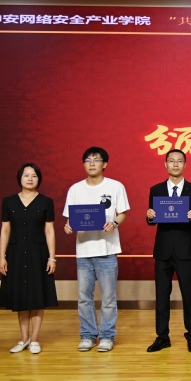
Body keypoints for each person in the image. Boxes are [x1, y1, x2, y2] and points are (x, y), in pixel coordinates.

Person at [63, 146, 130, 352]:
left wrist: (115, 223)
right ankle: (88, 335)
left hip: (107, 251)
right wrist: (68, 226)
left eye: (96, 159)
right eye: (88, 160)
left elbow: (122, 213)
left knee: (108, 298)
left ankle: (107, 336)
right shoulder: (75, 189)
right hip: (84, 251)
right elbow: (70, 219)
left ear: (105, 164)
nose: (92, 163)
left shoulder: (115, 186)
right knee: (84, 298)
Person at [145, 149, 191, 353]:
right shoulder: (156, 189)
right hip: (162, 250)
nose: (176, 164)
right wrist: (150, 216)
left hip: (185, 250)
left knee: (189, 295)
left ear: (185, 165)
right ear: (166, 164)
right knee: (162, 296)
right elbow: (152, 219)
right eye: (172, 161)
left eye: (180, 161)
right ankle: (162, 337)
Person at [0, 163, 58, 354]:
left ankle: (35, 340)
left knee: (37, 296)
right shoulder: (9, 201)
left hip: (38, 254)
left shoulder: (46, 201)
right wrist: (2, 257)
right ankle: (24, 339)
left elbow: (49, 231)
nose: (30, 179)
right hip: (15, 254)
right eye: (26, 175)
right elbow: (5, 231)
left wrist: (52, 258)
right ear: (20, 178)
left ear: (39, 179)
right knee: (21, 297)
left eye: (34, 175)